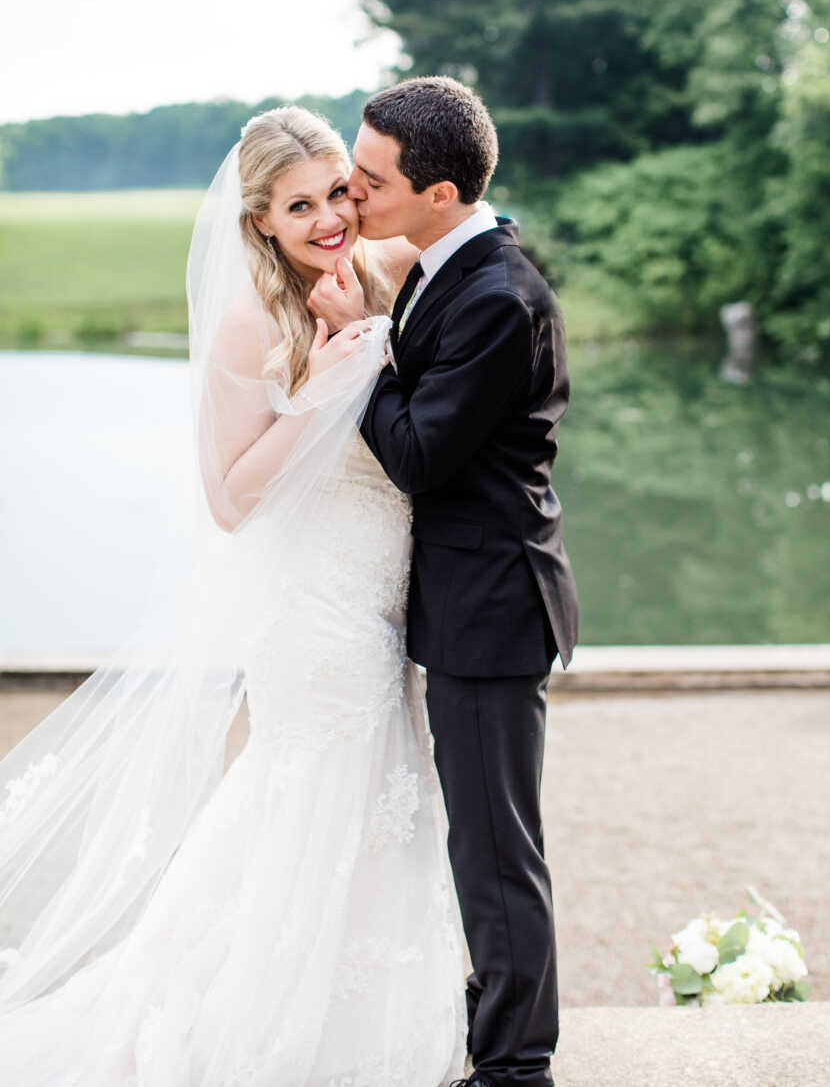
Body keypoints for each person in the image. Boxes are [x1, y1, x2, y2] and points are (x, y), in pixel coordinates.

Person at [0, 105, 467, 1086]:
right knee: (320, 803)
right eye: (299, 206)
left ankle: (368, 1022)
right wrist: (331, 381)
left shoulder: (372, 278)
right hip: (315, 610)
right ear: (259, 221)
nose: (329, 216)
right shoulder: (253, 318)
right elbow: (227, 496)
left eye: (339, 191)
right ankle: (268, 1032)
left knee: (379, 807)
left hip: (383, 600)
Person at [308, 76, 579, 1087]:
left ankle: (516, 1068)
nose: (350, 196)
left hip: (493, 608)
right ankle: (488, 1026)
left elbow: (419, 451)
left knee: (497, 850)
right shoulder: (439, 265)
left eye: (369, 181)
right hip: (464, 601)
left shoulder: (499, 296)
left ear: (441, 192)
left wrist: (355, 349)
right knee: (479, 839)